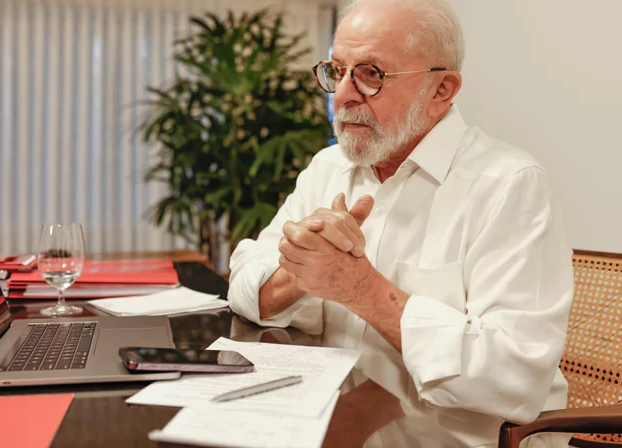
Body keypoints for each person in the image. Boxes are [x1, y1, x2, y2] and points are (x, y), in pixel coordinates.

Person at [228, 0, 574, 446]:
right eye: (337, 71)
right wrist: (298, 271)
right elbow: (242, 283)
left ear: (441, 90)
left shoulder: (509, 185)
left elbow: (513, 375)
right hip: (326, 423)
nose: (343, 95)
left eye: (371, 74)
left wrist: (360, 287)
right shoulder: (328, 168)